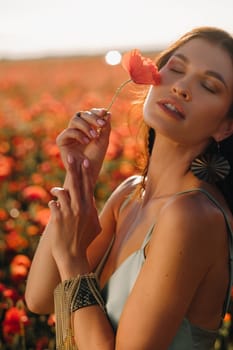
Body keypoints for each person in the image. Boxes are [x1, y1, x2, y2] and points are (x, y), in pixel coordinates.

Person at [25, 26, 233, 350]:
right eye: (176, 68)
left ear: (226, 125)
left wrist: (73, 260)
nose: (181, 87)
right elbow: (40, 297)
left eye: (208, 85)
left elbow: (67, 272)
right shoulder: (130, 195)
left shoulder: (192, 216)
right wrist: (80, 173)